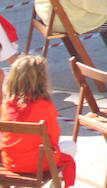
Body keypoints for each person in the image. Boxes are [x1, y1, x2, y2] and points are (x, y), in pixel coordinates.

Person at [0, 55, 75, 187]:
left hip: (10, 162)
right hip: (38, 165)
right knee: (70, 147)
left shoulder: (6, 105)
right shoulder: (45, 107)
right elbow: (53, 141)